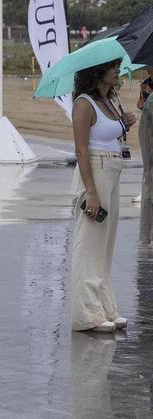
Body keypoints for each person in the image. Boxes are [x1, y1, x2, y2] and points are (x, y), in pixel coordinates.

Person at [70, 59, 135, 332]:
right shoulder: (84, 104)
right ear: (98, 70)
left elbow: (110, 135)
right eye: (113, 67)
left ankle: (105, 306)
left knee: (105, 246)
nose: (117, 72)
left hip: (112, 171)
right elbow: (82, 150)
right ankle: (86, 315)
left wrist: (125, 124)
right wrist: (91, 193)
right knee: (89, 245)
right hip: (95, 172)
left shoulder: (109, 100)